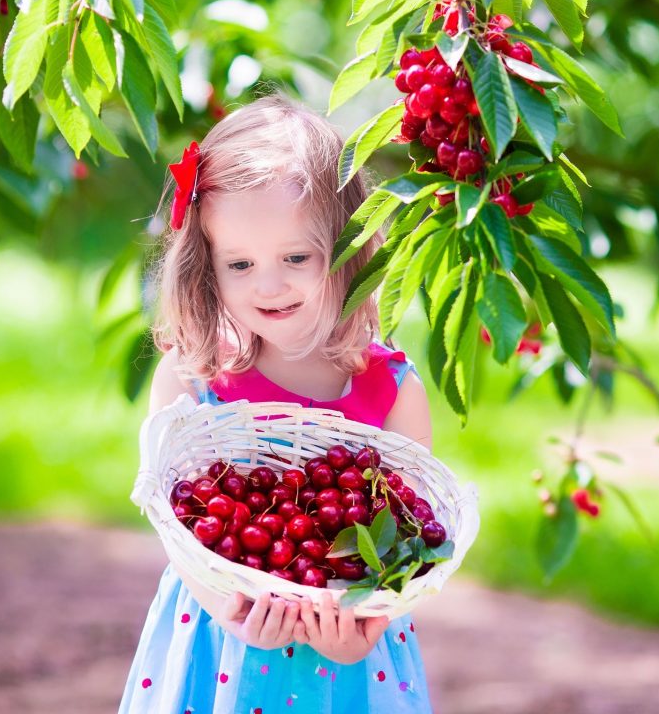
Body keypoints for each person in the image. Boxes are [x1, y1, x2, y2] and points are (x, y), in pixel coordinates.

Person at [119, 92, 435, 713]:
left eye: (296, 257)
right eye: (239, 263)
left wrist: (361, 632)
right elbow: (177, 527)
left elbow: (406, 548)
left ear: (349, 251)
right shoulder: (194, 380)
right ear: (205, 268)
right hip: (220, 655)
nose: (268, 284)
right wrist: (231, 609)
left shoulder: (391, 389)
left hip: (350, 668)